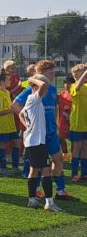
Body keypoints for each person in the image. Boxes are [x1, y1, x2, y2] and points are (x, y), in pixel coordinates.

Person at [12, 60, 73, 199]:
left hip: (51, 132)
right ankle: (37, 190)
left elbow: (55, 106)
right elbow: (15, 105)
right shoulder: (31, 89)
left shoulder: (52, 89)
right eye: (50, 73)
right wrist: (27, 124)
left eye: (53, 72)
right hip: (39, 133)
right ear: (41, 74)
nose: (53, 75)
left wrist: (56, 123)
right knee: (39, 166)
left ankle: (60, 191)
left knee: (58, 160)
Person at [20, 75, 62, 212]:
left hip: (32, 140)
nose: (46, 89)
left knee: (34, 170)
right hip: (37, 141)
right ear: (36, 87)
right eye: (44, 86)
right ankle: (49, 203)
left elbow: (21, 114)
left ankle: (32, 200)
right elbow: (42, 87)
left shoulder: (30, 101)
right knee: (46, 170)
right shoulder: (34, 98)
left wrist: (28, 126)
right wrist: (33, 80)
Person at [0, 71, 21, 175]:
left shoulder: (6, 92)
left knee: (17, 142)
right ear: (2, 81)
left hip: (10, 124)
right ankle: (2, 168)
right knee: (3, 144)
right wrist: (13, 109)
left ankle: (15, 167)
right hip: (3, 125)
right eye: (8, 80)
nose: (10, 81)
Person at [69, 64, 87, 180]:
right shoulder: (74, 86)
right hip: (78, 124)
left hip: (86, 123)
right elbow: (77, 87)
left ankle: (84, 173)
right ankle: (74, 174)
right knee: (77, 148)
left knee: (85, 148)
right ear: (76, 75)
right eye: (83, 71)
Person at [58, 76, 74, 162]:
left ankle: (73, 156)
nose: (67, 85)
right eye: (65, 83)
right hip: (62, 121)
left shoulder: (75, 94)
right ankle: (65, 153)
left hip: (73, 121)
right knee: (60, 137)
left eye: (69, 83)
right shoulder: (61, 95)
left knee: (73, 139)